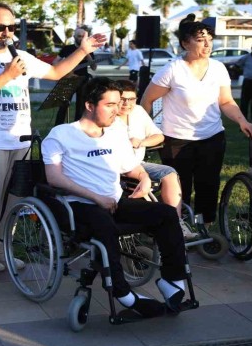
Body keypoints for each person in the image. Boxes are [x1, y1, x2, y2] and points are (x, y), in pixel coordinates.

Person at [0, 2, 106, 273]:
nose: (6, 33)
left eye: (11, 27)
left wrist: (83, 50)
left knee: (14, 201)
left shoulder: (21, 56)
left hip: (21, 141)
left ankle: (2, 249)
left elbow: (56, 73)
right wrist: (7, 74)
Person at [43, 76, 189, 317]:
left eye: (117, 103)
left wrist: (144, 178)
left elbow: (130, 167)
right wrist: (96, 197)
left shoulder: (115, 132)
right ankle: (123, 293)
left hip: (115, 200)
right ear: (89, 105)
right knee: (104, 225)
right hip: (80, 204)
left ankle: (172, 280)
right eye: (109, 105)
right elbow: (54, 178)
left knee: (165, 213)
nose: (116, 110)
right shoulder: (61, 135)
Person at [142, 13, 252, 229]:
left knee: (209, 185)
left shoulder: (218, 68)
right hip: (176, 139)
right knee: (180, 188)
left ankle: (206, 229)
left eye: (210, 39)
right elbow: (147, 100)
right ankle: (179, 228)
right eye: (200, 39)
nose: (207, 44)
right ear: (185, 43)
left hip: (212, 137)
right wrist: (143, 131)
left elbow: (226, 101)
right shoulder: (173, 69)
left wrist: (243, 121)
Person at [114, 80, 197, 239]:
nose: (127, 104)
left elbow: (159, 136)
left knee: (169, 172)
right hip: (116, 166)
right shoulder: (108, 116)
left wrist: (141, 142)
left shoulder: (138, 111)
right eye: (122, 99)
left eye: (131, 99)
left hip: (138, 164)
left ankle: (176, 222)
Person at [53, 27, 98, 123]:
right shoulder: (67, 48)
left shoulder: (89, 50)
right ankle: (58, 126)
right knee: (63, 105)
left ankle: (77, 127)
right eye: (79, 36)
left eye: (83, 36)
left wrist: (86, 53)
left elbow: (94, 67)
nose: (81, 38)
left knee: (81, 106)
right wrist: (64, 72)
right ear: (74, 37)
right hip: (68, 80)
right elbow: (55, 62)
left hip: (83, 80)